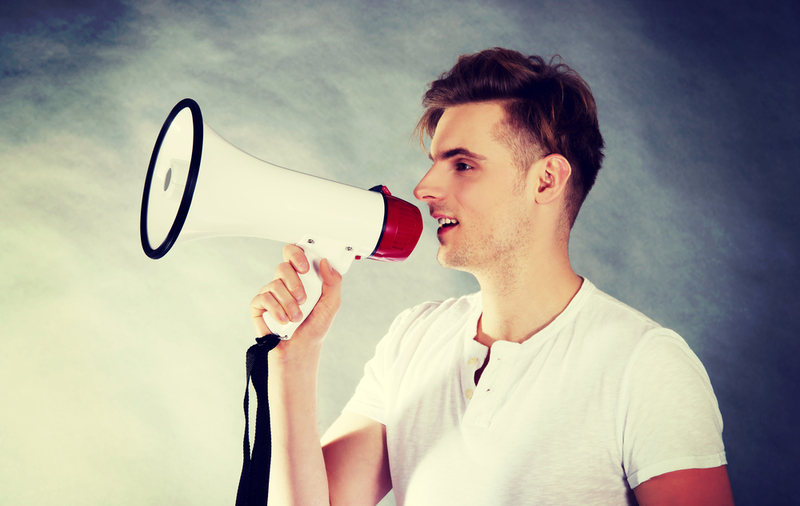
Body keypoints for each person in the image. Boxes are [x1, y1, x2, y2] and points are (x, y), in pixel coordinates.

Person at [250, 48, 734, 506]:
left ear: (546, 180)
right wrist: (294, 356)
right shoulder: (411, 341)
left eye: (462, 164)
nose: (424, 188)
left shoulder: (646, 365)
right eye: (434, 162)